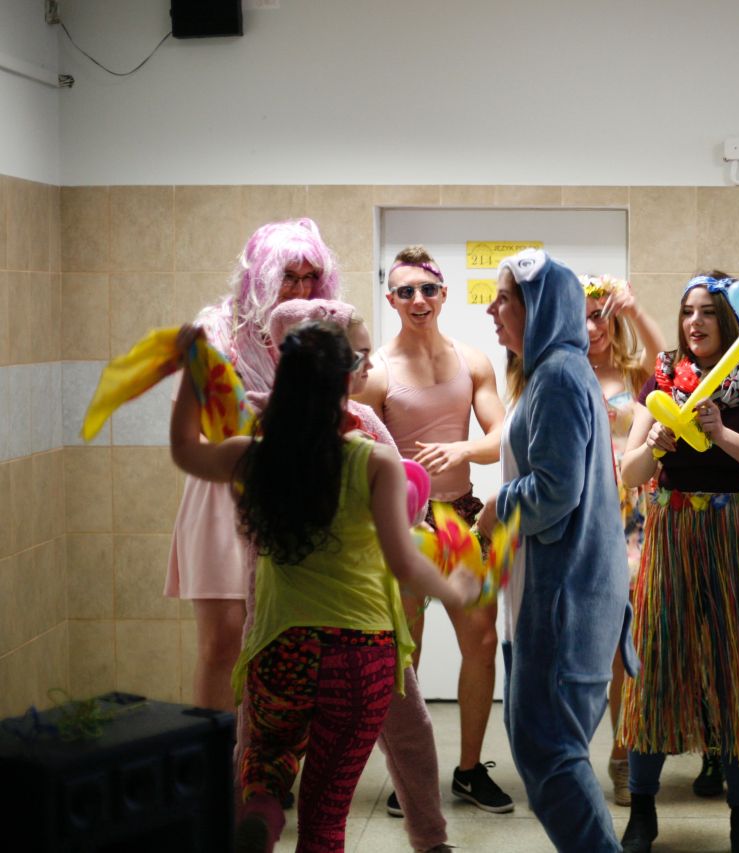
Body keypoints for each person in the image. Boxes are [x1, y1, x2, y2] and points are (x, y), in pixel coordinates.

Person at [169, 320, 479, 853]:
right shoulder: (373, 460)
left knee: (266, 758)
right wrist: (455, 590)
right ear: (347, 381)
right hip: (360, 654)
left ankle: (262, 808)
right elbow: (404, 562)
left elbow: (185, 450)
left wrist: (192, 370)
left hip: (281, 648)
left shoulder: (253, 455)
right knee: (326, 814)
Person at [618, 272, 739, 853]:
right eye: (687, 311)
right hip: (673, 528)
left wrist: (721, 434)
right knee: (656, 665)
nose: (694, 322)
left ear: (732, 319)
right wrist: (656, 446)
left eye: (706, 311)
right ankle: (642, 811)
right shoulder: (664, 377)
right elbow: (630, 473)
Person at [262, 300, 452, 852]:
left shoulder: (267, 429)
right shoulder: (359, 434)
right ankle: (431, 841)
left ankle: (255, 816)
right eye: (360, 355)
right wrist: (451, 581)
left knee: (264, 744)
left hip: (279, 623)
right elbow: (408, 515)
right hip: (361, 627)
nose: (371, 365)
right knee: (405, 733)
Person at [478, 248, 634, 851]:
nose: (492, 310)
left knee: (552, 758)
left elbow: (556, 491)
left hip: (565, 598)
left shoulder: (560, 376)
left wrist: (497, 507)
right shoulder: (549, 373)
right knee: (543, 750)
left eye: (504, 299)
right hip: (546, 592)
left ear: (539, 307)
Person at [355, 245, 512, 814]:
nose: (417, 299)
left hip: (458, 520)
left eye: (427, 289)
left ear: (443, 294)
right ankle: (410, 776)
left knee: (482, 641)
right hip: (400, 525)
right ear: (392, 299)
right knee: (407, 651)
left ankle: (469, 771)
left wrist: (463, 448)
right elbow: (357, 450)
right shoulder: (377, 372)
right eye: (405, 291)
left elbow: (501, 436)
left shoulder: (472, 361)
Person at [164, 218, 339, 712]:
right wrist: (248, 449)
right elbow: (191, 434)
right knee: (223, 643)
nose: (299, 289)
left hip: (294, 496)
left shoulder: (315, 336)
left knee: (286, 646)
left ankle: (269, 757)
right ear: (261, 276)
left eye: (309, 278)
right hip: (224, 491)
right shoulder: (216, 333)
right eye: (288, 277)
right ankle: (218, 758)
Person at [580, 272, 665, 806]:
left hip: (636, 517)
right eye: (581, 319)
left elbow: (665, 359)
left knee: (632, 645)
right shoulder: (561, 372)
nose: (592, 328)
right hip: (584, 517)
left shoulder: (636, 372)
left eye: (599, 316)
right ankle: (590, 757)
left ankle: (625, 752)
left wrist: (634, 309)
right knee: (594, 646)